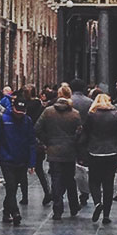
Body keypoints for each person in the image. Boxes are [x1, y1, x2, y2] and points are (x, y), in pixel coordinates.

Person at [34, 84, 84, 220]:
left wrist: (47, 141)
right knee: (70, 179)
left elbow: (37, 128)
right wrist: (74, 142)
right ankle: (74, 205)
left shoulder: (48, 111)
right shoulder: (75, 114)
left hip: (53, 150)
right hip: (69, 151)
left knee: (56, 179)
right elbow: (80, 133)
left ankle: (57, 209)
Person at [83, 92, 117, 225]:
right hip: (112, 152)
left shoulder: (91, 114)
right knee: (108, 183)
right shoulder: (115, 114)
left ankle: (98, 202)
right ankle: (106, 215)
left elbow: (85, 132)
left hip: (94, 151)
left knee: (94, 181)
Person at [0, 97, 37, 225]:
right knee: (11, 186)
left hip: (21, 159)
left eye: (22, 112)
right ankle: (15, 212)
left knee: (13, 189)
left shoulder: (27, 121)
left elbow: (32, 142)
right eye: (17, 111)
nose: (19, 114)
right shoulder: (2, 120)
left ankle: (6, 212)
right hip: (6, 159)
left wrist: (32, 162)